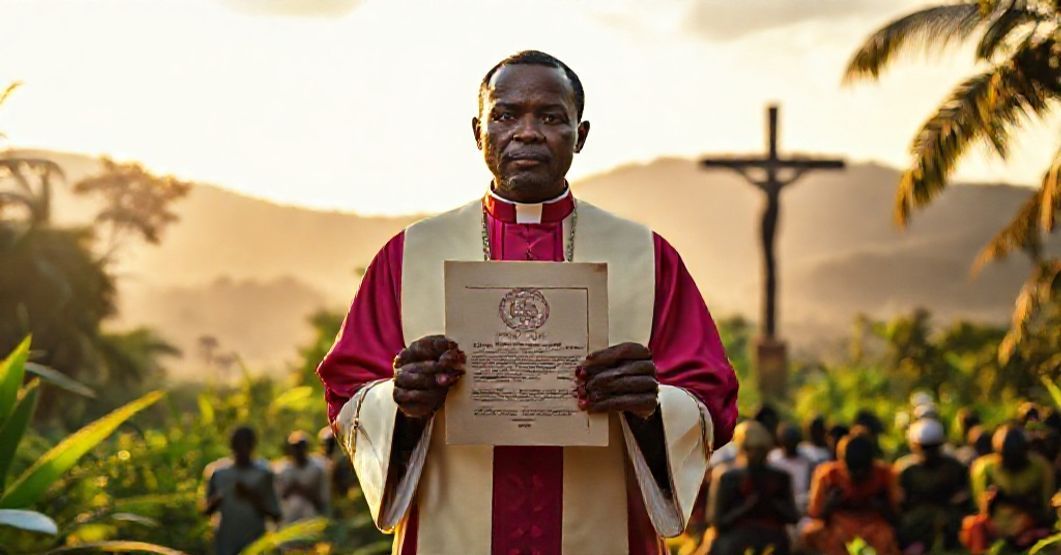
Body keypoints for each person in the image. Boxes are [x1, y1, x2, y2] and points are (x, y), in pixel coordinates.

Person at [316, 50, 739, 554]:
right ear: (478, 132)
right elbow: (349, 394)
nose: (528, 132)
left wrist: (651, 405)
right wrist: (402, 402)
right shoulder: (409, 254)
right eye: (506, 115)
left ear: (580, 135)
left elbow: (710, 398)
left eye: (552, 117)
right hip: (454, 532)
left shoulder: (647, 256)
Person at [705, 421, 798, 555]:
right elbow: (716, 521)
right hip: (734, 541)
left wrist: (771, 503)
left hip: (773, 541)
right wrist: (746, 507)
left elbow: (793, 517)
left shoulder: (780, 477)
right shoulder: (726, 477)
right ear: (742, 449)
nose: (756, 455)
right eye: (751, 450)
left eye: (761, 450)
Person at [961, 425, 1056, 553]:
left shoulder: (1040, 467)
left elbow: (1048, 510)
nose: (1012, 462)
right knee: (973, 525)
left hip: (1028, 524)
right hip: (997, 525)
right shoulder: (984, 468)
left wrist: (1013, 500)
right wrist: (990, 502)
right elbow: (981, 509)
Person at [802, 431, 900, 555]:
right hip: (839, 525)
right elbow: (815, 513)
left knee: (886, 538)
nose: (858, 474)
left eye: (863, 469)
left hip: (874, 525)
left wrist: (881, 506)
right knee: (811, 534)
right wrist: (829, 505)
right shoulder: (828, 475)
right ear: (843, 462)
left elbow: (896, 515)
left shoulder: (885, 474)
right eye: (853, 469)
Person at [894, 418, 970, 552]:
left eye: (932, 448)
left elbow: (964, 492)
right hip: (915, 518)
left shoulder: (953, 466)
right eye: (924, 448)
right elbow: (897, 500)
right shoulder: (905, 469)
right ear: (914, 446)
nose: (928, 453)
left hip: (948, 514)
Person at [203, 426, 281, 555]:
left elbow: (275, 514)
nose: (240, 449)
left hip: (254, 542)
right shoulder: (219, 473)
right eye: (237, 445)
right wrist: (215, 501)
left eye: (244, 444)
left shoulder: (263, 473)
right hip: (226, 542)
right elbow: (206, 511)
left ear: (252, 445)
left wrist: (251, 496)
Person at [274, 430, 329, 525]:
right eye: (295, 447)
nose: (298, 451)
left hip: (311, 519)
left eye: (300, 447)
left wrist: (302, 489)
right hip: (289, 520)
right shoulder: (282, 470)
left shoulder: (317, 468)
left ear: (306, 448)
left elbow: (323, 499)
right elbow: (278, 498)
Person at [768, 422, 813, 513]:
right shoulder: (773, 459)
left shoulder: (806, 460)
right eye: (788, 442)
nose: (791, 445)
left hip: (803, 504)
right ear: (782, 442)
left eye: (794, 442)